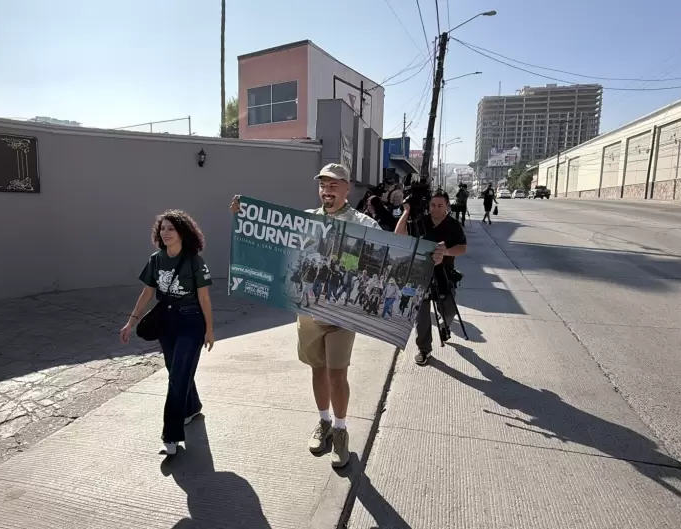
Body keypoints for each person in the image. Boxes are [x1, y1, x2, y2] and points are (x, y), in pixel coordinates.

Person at [230, 163, 379, 468]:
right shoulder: (305, 220)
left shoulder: (364, 224)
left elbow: (378, 256)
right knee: (317, 369)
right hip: (308, 310)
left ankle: (340, 430)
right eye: (323, 185)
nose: (327, 190)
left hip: (340, 313)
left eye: (334, 185)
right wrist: (243, 216)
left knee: (337, 374)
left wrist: (340, 257)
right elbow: (273, 242)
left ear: (348, 188)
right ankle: (324, 421)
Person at [120, 210, 215, 456]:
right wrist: (131, 322)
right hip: (167, 321)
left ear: (182, 232)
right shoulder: (156, 260)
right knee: (176, 371)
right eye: (162, 228)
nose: (165, 232)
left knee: (178, 377)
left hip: (191, 322)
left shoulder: (194, 261)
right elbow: (147, 292)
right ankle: (192, 407)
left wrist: (209, 330)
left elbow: (204, 298)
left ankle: (171, 436)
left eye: (171, 228)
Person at [396, 190, 468, 365]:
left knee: (448, 310)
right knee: (421, 316)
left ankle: (445, 325)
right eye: (433, 205)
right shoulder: (420, 222)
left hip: (444, 274)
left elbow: (462, 248)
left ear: (447, 206)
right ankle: (424, 349)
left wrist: (446, 252)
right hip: (421, 274)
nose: (435, 209)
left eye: (440, 205)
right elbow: (398, 235)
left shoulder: (453, 225)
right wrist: (406, 212)